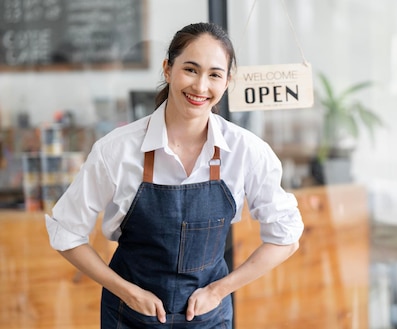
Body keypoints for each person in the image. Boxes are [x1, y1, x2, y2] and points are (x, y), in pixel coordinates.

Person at [45, 22, 304, 328]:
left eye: (215, 75)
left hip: (209, 317)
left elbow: (286, 237)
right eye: (190, 70)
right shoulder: (117, 150)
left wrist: (219, 291)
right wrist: (126, 292)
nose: (200, 86)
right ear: (168, 69)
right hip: (130, 316)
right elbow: (66, 232)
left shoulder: (246, 151)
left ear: (227, 82)